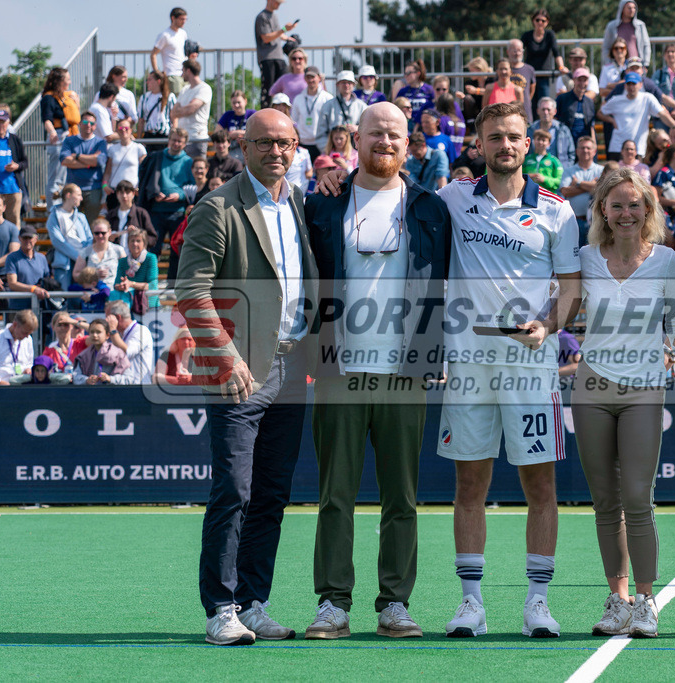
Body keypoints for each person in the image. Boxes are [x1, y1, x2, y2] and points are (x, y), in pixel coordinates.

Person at [303, 100, 450, 640]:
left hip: (406, 371)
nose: (384, 142)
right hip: (338, 368)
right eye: (374, 134)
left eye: (394, 135)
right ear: (354, 141)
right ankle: (333, 603)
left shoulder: (431, 209)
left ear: (408, 144)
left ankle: (394, 602)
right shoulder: (320, 207)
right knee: (335, 493)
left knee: (401, 496)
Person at [434, 102, 580, 639]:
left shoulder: (557, 210)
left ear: (529, 142)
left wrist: (549, 324)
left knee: (539, 484)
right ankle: (470, 602)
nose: (505, 145)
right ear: (479, 142)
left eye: (514, 136)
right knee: (469, 480)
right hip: (468, 364)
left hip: (531, 366)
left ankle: (537, 602)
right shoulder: (452, 198)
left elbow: (571, 286)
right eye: (494, 136)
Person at [176, 109, 317, 645]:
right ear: (244, 146)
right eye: (264, 143)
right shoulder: (217, 207)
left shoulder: (301, 203)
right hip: (238, 370)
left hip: (294, 364)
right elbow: (192, 290)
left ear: (296, 146)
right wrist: (227, 355)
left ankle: (254, 602)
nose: (275, 152)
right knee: (233, 489)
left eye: (284, 143)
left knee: (272, 492)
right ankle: (220, 608)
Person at [573, 167, 675, 638]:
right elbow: (557, 309)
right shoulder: (582, 258)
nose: (625, 213)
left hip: (644, 388)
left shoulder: (667, 261)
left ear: (648, 210)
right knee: (605, 502)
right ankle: (617, 600)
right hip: (592, 388)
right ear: (602, 209)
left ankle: (645, 601)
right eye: (615, 204)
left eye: (633, 205)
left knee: (638, 498)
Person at [137, 127, 194, 256]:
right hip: (157, 211)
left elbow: (192, 186)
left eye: (179, 141)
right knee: (152, 249)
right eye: (174, 140)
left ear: (184, 144)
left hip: (178, 212)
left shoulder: (188, 162)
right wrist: (155, 193)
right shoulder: (156, 157)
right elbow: (146, 180)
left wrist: (179, 196)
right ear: (168, 140)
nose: (176, 143)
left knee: (177, 252)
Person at [599, 73, 675, 160]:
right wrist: (612, 121)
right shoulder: (616, 100)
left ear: (640, 85)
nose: (631, 87)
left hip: (638, 148)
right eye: (629, 84)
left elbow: (663, 114)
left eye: (634, 84)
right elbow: (600, 113)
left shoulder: (647, 98)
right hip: (617, 148)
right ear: (625, 85)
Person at [41, 68, 81, 205]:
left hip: (69, 137)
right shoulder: (48, 98)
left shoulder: (66, 97)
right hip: (58, 136)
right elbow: (47, 119)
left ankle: (66, 204)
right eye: (67, 79)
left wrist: (76, 103)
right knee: (56, 175)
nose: (69, 82)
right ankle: (53, 207)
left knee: (66, 175)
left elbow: (75, 117)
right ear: (59, 81)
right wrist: (52, 132)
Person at [60, 112, 108, 225]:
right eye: (86, 122)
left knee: (91, 225)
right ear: (80, 124)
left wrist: (77, 156)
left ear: (95, 126)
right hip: (72, 187)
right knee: (70, 224)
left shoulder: (100, 142)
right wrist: (89, 163)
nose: (89, 125)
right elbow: (64, 161)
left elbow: (99, 161)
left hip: (93, 188)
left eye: (92, 123)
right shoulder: (69, 141)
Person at [47, 183, 93, 290]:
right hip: (64, 264)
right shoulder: (54, 215)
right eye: (78, 195)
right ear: (68, 195)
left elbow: (89, 239)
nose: (81, 198)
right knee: (64, 295)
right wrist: (78, 257)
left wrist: (84, 257)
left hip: (83, 262)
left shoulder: (81, 217)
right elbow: (57, 241)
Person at [523, 9, 568, 118]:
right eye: (537, 20)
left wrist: (561, 66)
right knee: (529, 104)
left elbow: (556, 52)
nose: (540, 23)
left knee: (544, 103)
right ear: (533, 21)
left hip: (544, 76)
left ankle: (544, 129)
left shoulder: (549, 35)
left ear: (547, 22)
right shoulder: (527, 35)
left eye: (543, 20)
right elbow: (519, 51)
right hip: (529, 76)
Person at [255, 0, 299, 109]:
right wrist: (283, 29)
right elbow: (266, 37)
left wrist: (288, 38)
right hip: (267, 58)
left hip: (279, 57)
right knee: (269, 89)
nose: (278, 5)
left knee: (282, 87)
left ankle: (284, 111)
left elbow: (277, 34)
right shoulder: (262, 17)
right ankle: (266, 113)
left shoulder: (274, 16)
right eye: (277, 2)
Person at [560, 136, 603, 244]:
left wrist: (578, 183)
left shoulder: (601, 170)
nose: (585, 150)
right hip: (574, 221)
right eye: (582, 148)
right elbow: (565, 191)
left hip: (596, 222)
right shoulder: (568, 171)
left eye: (588, 148)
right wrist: (592, 186)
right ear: (577, 151)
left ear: (594, 151)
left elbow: (602, 189)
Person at [102, 299, 155, 385]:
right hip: (123, 385)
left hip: (138, 387)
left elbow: (128, 351)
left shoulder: (141, 331)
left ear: (118, 317)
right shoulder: (119, 334)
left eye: (108, 318)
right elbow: (97, 334)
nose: (106, 322)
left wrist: (112, 329)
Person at [0, 310, 37, 385]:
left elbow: (29, 363)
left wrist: (27, 369)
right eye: (24, 332)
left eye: (29, 333)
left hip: (20, 389)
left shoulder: (28, 339)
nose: (27, 336)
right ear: (15, 325)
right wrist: (2, 384)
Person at [110, 227, 159, 311]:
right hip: (128, 304)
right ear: (128, 243)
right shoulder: (123, 261)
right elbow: (116, 285)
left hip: (148, 304)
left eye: (138, 241)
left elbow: (151, 285)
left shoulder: (151, 258)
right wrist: (123, 285)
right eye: (132, 241)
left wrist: (131, 284)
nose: (135, 244)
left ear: (144, 243)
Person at [292, 66, 335, 163]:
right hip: (303, 143)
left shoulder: (327, 98)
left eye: (313, 77)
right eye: (308, 77)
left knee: (322, 174)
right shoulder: (298, 98)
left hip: (321, 144)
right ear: (305, 79)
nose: (310, 80)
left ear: (319, 78)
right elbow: (294, 119)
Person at [172, 60, 213, 159]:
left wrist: (181, 110)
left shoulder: (204, 88)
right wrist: (184, 110)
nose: (182, 75)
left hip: (197, 138)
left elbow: (190, 109)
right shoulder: (184, 89)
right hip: (182, 139)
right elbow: (173, 112)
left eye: (183, 71)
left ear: (188, 70)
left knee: (197, 172)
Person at [74, 215, 127, 292]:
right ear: (93, 233)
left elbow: (127, 272)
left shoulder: (118, 250)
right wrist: (92, 274)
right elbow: (76, 274)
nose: (100, 236)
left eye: (103, 233)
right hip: (92, 296)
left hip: (114, 294)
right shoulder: (85, 252)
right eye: (97, 233)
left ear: (109, 232)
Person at [4, 225, 51, 311]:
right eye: (25, 238)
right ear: (19, 238)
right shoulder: (12, 258)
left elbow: (47, 280)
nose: (27, 240)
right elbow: (12, 284)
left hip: (39, 307)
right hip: (17, 308)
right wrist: (33, 289)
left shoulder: (42, 258)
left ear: (36, 239)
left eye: (30, 237)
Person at [103, 122, 147, 213]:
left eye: (126, 128)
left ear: (131, 130)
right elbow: (108, 170)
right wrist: (105, 185)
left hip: (132, 191)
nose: (123, 130)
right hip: (115, 191)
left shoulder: (139, 148)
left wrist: (140, 187)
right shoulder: (112, 149)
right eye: (120, 128)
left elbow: (144, 172)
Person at [71, 317, 130, 384]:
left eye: (98, 332)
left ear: (107, 335)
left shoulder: (118, 354)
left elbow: (128, 379)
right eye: (92, 332)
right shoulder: (83, 356)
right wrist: (86, 380)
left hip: (113, 393)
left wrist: (110, 379)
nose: (95, 335)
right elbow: (75, 377)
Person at [555, 69, 597, 149]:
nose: (582, 83)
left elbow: (591, 126)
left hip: (584, 146)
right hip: (565, 144)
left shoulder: (589, 102)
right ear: (574, 80)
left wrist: (594, 145)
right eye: (579, 80)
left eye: (585, 80)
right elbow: (555, 119)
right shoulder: (562, 99)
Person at [151, 7, 189, 95]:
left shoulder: (183, 33)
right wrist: (157, 72)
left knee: (186, 99)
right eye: (181, 19)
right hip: (172, 74)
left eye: (185, 19)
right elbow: (153, 54)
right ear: (173, 18)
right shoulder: (165, 35)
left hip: (184, 73)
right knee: (176, 101)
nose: (184, 21)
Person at [137, 70, 176, 153]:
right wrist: (139, 140)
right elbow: (141, 120)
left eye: (150, 80)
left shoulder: (170, 97)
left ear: (158, 81)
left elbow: (174, 120)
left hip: (163, 136)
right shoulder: (144, 97)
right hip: (149, 135)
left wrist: (172, 139)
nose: (147, 82)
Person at [602, 1, 651, 67]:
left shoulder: (640, 25)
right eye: (629, 8)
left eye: (634, 8)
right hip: (617, 66)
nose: (632, 10)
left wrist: (646, 64)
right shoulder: (612, 26)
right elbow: (606, 47)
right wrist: (609, 64)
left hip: (636, 65)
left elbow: (646, 45)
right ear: (622, 9)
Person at [528, 98, 575, 166]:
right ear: (538, 111)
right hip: (535, 172)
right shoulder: (530, 130)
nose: (546, 112)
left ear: (555, 111)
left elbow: (571, 153)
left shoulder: (563, 130)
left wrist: (565, 169)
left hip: (560, 172)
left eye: (548, 110)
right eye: (543, 109)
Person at [397, 60, 436, 127]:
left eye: (409, 73)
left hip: (424, 126)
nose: (406, 76)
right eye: (405, 73)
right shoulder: (403, 91)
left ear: (418, 73)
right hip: (406, 124)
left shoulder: (429, 89)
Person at [215, 91, 255, 155]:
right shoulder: (228, 115)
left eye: (239, 102)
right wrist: (229, 135)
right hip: (232, 150)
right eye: (234, 103)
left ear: (245, 101)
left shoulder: (252, 114)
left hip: (249, 149)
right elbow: (217, 133)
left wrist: (239, 133)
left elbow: (258, 132)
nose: (236, 105)